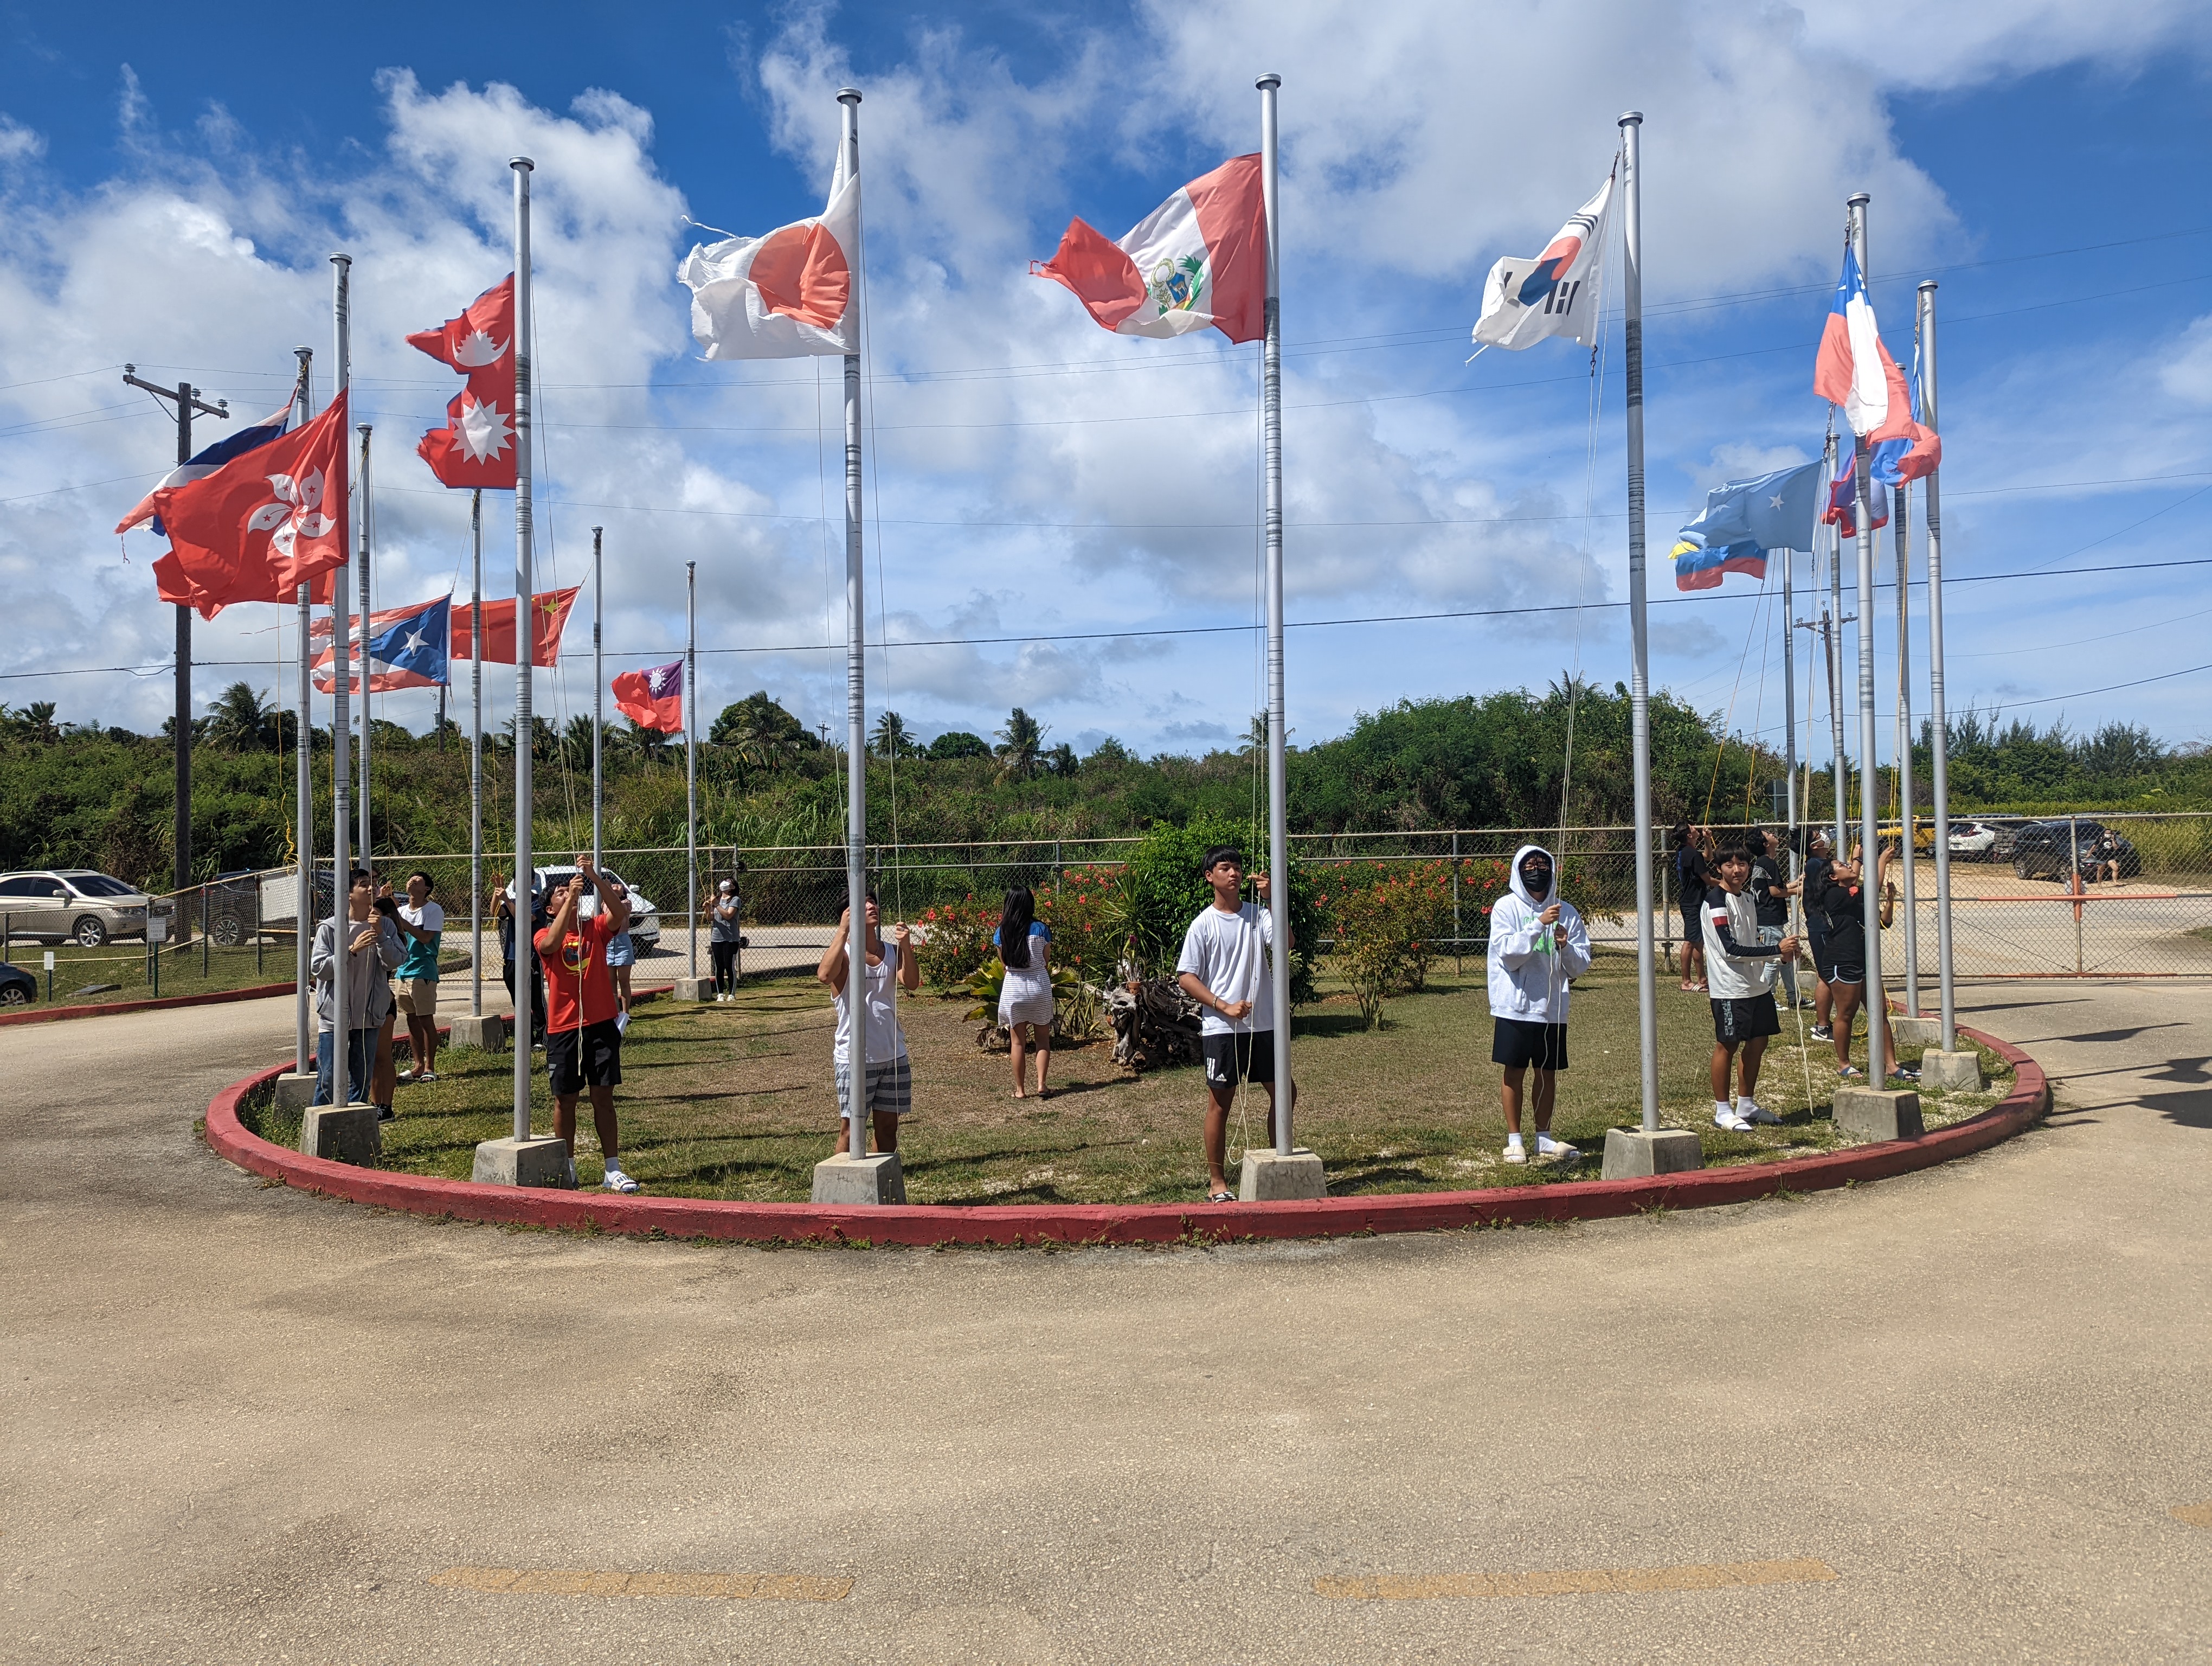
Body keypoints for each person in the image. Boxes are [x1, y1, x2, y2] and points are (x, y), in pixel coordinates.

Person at [1175, 847, 1296, 1205]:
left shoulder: (1258, 915)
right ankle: (1217, 1182)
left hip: (1263, 1026)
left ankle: (1279, 1164)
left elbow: (1285, 943)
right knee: (1220, 1104)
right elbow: (1186, 976)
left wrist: (1273, 899)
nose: (1235, 874)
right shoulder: (1203, 925)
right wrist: (1223, 1006)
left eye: (1238, 868)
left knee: (1285, 1092)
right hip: (1222, 1029)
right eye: (1225, 868)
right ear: (1209, 876)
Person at [535, 856, 638, 1193]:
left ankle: (612, 1169)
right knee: (565, 1099)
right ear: (550, 908)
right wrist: (572, 902)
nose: (568, 894)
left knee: (602, 1097)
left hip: (600, 1024)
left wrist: (594, 876)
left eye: (570, 890)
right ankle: (568, 1166)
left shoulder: (595, 928)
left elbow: (620, 914)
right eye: (560, 894)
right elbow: (551, 945)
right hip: (564, 1029)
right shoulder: (543, 935)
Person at [1486, 843, 1592, 1165]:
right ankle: (1515, 1139)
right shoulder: (1505, 908)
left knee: (1547, 1073)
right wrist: (1538, 925)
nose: (1536, 871)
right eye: (1529, 866)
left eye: (1542, 865)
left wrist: (1565, 946)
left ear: (1552, 869)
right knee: (1515, 1071)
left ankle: (1543, 1137)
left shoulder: (1567, 912)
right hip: (1515, 1007)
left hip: (1552, 1010)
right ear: (1519, 872)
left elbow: (1579, 966)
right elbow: (1509, 954)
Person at [1701, 844, 1799, 1131]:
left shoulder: (1746, 898)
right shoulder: (1716, 901)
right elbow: (1729, 949)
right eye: (1730, 865)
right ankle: (1722, 1111)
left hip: (1755, 985)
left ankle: (1747, 1104)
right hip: (1730, 987)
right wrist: (1775, 950)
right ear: (1719, 868)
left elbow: (1751, 940)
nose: (1737, 870)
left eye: (1742, 864)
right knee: (1728, 1044)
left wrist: (1780, 953)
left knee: (1759, 1041)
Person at [817, 889, 919, 1158]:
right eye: (863, 904)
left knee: (888, 1127)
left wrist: (906, 945)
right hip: (855, 1057)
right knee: (851, 1130)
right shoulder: (846, 955)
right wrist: (842, 932)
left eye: (872, 901)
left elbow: (911, 983)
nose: (871, 906)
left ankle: (881, 1181)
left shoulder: (892, 951)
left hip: (893, 1054)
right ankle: (842, 1190)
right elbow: (825, 975)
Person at [1810, 844, 1912, 1084]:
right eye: (1842, 866)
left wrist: (1889, 901)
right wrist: (1881, 861)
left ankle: (1891, 1065)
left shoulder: (1853, 897)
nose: (1848, 866)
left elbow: (1883, 922)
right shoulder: (1834, 895)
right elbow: (1869, 890)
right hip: (1841, 961)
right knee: (1847, 1013)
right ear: (1833, 877)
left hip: (1863, 960)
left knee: (1880, 1012)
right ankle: (1843, 1064)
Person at [310, 868, 402, 1107]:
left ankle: (352, 1125)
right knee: (328, 1078)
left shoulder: (386, 926)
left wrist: (381, 935)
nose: (372, 888)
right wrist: (350, 950)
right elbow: (319, 968)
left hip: (368, 1018)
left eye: (373, 883)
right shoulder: (330, 928)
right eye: (363, 885)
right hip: (334, 1020)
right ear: (349, 894)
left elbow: (396, 961)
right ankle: (322, 1123)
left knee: (361, 1079)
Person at [994, 886, 1054, 1100]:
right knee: (1042, 1041)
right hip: (1039, 987)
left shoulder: (1001, 932)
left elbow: (1004, 964)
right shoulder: (1041, 929)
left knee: (1017, 1042)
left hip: (1014, 990)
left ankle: (1020, 1090)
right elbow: (1045, 960)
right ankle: (1042, 1085)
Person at [393, 869, 444, 1084]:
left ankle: (430, 1067)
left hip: (423, 971)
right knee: (411, 1019)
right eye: (411, 879)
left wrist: (403, 924)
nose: (413, 880)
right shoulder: (401, 910)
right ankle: (417, 1065)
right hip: (402, 971)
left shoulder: (433, 910)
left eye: (419, 880)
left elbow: (425, 938)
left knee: (425, 1020)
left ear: (427, 889)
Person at [1752, 831, 1806, 1011]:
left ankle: (1794, 997)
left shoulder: (1762, 863)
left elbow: (1774, 888)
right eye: (1768, 834)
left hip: (1767, 918)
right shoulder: (1769, 862)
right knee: (1774, 960)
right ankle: (1768, 998)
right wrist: (1798, 891)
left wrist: (1795, 884)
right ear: (1766, 844)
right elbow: (1775, 893)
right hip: (1769, 920)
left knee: (1786, 957)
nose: (1774, 834)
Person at [492, 869, 547, 1047]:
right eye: (516, 879)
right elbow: (495, 912)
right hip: (511, 957)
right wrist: (498, 892)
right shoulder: (513, 902)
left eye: (524, 879)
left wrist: (507, 900)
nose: (519, 883)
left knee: (535, 999)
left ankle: (542, 1037)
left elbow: (525, 919)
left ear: (532, 881)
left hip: (531, 957)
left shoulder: (538, 901)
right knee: (518, 1000)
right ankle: (527, 1037)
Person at [1802, 829, 1838, 1042]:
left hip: (1826, 925)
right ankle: (1822, 1026)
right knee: (1826, 976)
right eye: (1818, 834)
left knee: (1830, 976)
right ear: (1814, 845)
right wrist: (1858, 861)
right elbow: (1848, 877)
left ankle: (1826, 1024)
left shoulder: (1819, 864)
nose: (1825, 835)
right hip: (1821, 925)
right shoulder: (1816, 864)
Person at [1672, 824, 1709, 991]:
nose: (1696, 828)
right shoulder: (1692, 854)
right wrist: (1725, 883)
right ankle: (1686, 982)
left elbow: (1707, 857)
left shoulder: (1683, 851)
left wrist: (1707, 839)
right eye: (1692, 828)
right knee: (1689, 942)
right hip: (1692, 902)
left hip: (1692, 901)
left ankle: (1702, 979)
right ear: (1689, 835)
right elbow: (1708, 879)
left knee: (1697, 942)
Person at [709, 879, 742, 1002]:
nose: (725, 883)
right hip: (716, 938)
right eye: (725, 881)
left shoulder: (735, 900)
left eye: (729, 882)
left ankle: (732, 994)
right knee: (719, 966)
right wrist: (709, 907)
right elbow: (710, 917)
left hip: (731, 938)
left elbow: (728, 915)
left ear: (733, 887)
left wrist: (717, 904)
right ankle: (720, 994)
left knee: (729, 965)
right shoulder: (716, 899)